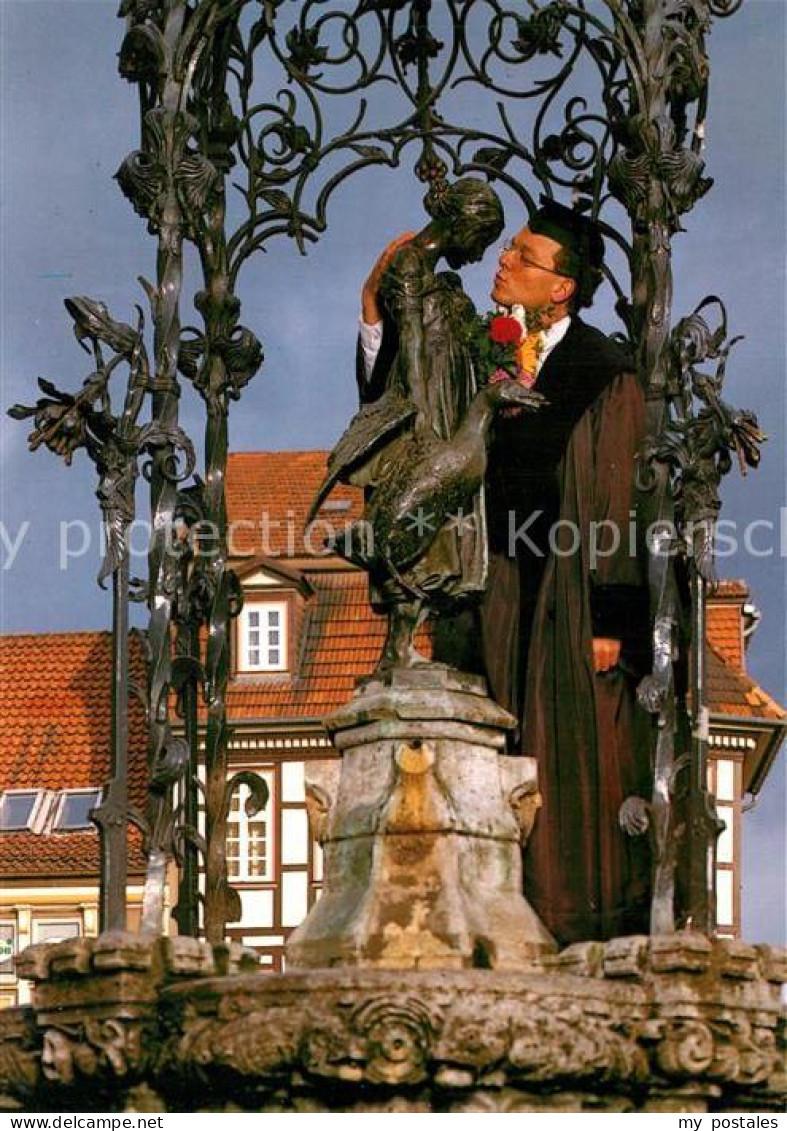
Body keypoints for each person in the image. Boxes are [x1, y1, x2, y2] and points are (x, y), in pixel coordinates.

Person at [359, 196, 652, 945]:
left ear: (560, 287)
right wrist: (374, 309)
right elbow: (410, 393)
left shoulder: (601, 371)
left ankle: (564, 933)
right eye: (509, 249)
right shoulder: (485, 348)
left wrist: (612, 620)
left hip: (565, 595)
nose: (505, 260)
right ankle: (482, 921)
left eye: (523, 256)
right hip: (486, 588)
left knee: (559, 764)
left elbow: (616, 499)